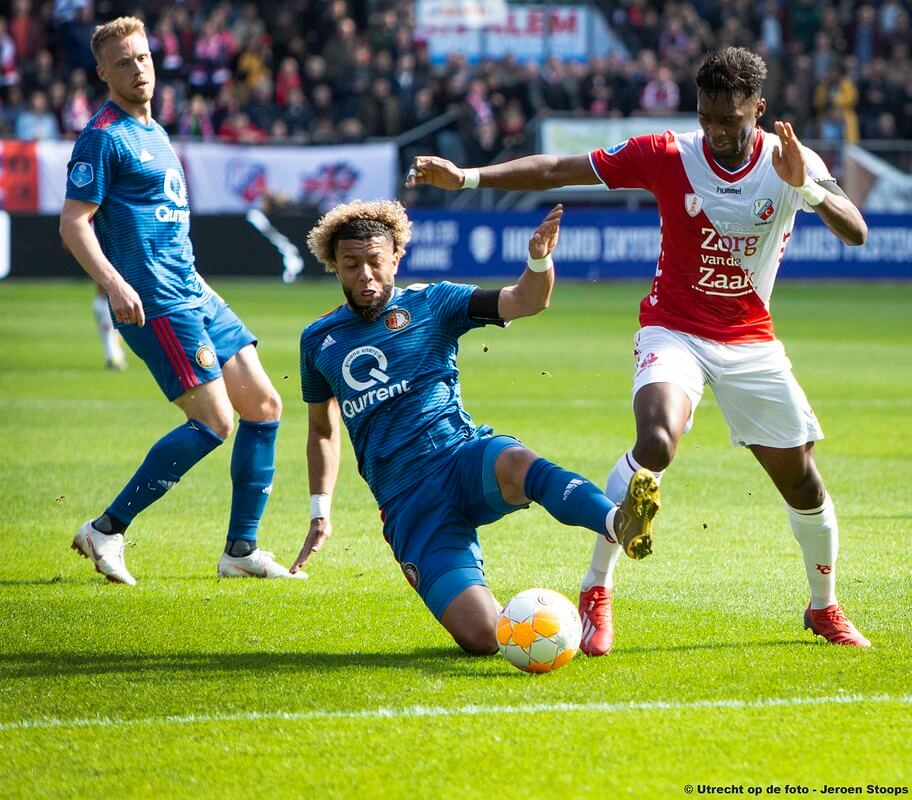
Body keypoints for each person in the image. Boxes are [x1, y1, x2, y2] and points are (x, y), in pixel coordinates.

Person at [406, 46, 871, 651]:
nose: (716, 132)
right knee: (656, 442)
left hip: (750, 340)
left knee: (802, 483)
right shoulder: (667, 153)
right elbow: (556, 168)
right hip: (672, 329)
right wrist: (466, 178)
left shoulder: (792, 162)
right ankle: (596, 588)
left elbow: (855, 230)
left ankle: (823, 607)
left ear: (758, 109)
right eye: (706, 117)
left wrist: (805, 187)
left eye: (729, 120)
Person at [293, 199, 660, 654]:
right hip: (409, 504)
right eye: (351, 265)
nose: (366, 276)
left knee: (517, 462)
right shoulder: (318, 341)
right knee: (486, 639)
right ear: (334, 265)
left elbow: (527, 300)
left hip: (462, 457)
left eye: (375, 262)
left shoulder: (433, 302)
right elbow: (323, 431)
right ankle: (527, 621)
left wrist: (539, 259)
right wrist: (319, 509)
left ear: (396, 259)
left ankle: (617, 521)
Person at [59, 17, 301, 585]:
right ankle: (107, 529)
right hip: (156, 304)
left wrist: (203, 286)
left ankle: (240, 550)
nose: (137, 68)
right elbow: (74, 224)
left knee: (264, 405)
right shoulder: (103, 136)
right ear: (103, 72)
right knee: (214, 421)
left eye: (142, 57)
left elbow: (168, 230)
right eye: (123, 62)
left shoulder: (159, 134)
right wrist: (115, 284)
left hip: (194, 292)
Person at [93, 282, 127, 370]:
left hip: (104, 301)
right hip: (105, 302)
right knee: (108, 333)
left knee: (113, 333)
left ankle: (115, 357)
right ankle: (114, 358)